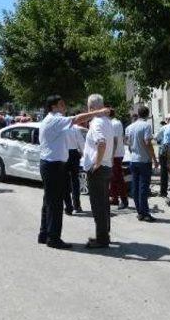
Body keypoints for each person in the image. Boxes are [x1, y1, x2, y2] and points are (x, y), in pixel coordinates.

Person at [38, 95, 108, 250]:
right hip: (53, 166)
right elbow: (76, 119)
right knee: (55, 204)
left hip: (50, 165)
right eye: (61, 104)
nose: (64, 107)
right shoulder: (55, 119)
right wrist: (98, 112)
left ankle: (44, 234)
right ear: (53, 107)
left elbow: (75, 126)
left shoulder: (51, 120)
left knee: (48, 202)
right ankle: (53, 238)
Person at [83, 94, 115, 248]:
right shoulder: (108, 122)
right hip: (107, 165)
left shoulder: (95, 123)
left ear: (92, 108)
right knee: (104, 203)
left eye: (89, 108)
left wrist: (96, 163)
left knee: (98, 204)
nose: (88, 110)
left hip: (100, 167)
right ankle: (104, 233)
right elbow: (112, 142)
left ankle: (102, 238)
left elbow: (101, 143)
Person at [125, 106, 158, 222]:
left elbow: (128, 143)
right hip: (144, 160)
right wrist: (154, 158)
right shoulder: (146, 126)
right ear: (148, 114)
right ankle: (145, 213)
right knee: (143, 187)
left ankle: (139, 211)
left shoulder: (129, 127)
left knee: (135, 186)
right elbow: (147, 142)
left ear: (138, 114)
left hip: (133, 159)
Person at [109, 109, 129, 209]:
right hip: (117, 153)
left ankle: (124, 200)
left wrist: (111, 156)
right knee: (113, 178)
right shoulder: (117, 123)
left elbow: (115, 141)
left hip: (115, 154)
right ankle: (114, 198)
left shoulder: (113, 124)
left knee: (118, 178)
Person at [64, 122, 85, 215]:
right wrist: (84, 154)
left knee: (65, 182)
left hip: (63, 153)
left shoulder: (61, 127)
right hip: (74, 154)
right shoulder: (75, 127)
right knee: (75, 181)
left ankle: (68, 207)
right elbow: (81, 142)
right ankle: (77, 206)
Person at [155, 118, 170, 197]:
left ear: (167, 120)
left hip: (164, 152)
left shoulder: (163, 128)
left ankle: (163, 192)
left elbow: (156, 138)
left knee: (164, 172)